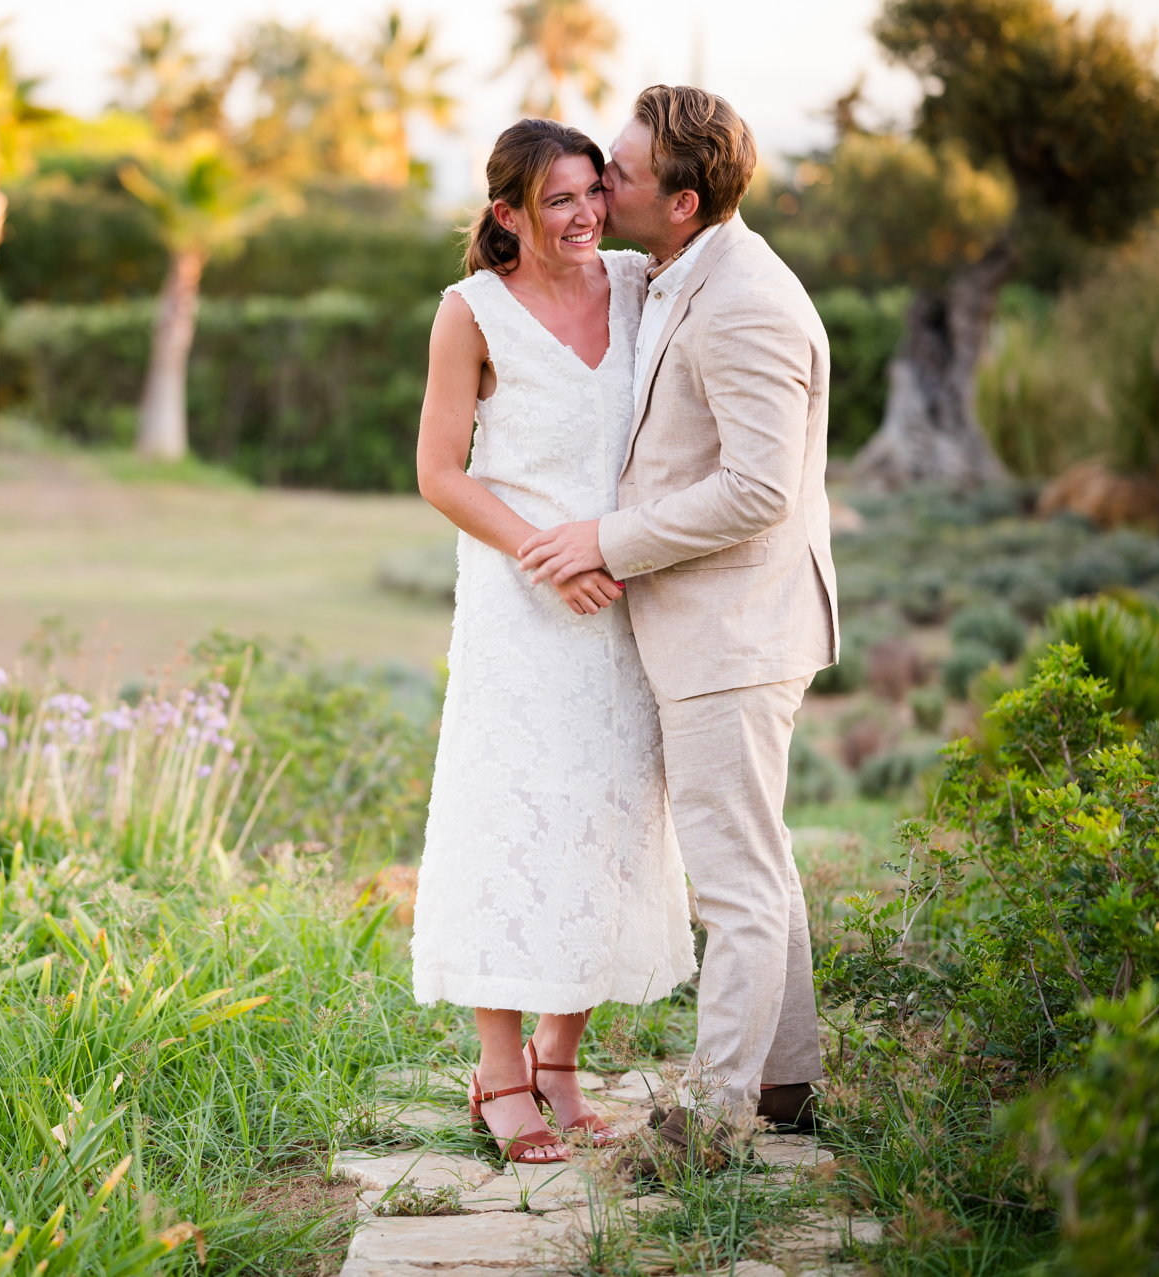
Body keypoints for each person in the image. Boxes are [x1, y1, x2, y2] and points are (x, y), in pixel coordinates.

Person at [518, 86, 840, 1159]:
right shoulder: (680, 270)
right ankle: (785, 1081)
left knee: (733, 880)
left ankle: (711, 1117)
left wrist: (608, 539)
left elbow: (759, 489)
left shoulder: (747, 299)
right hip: (718, 625)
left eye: (620, 173)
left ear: (685, 200)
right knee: (761, 855)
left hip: (735, 630)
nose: (603, 187)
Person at [410, 117, 698, 1166]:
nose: (585, 216)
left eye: (592, 192)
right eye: (560, 201)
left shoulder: (635, 284)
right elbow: (442, 472)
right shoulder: (470, 312)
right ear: (507, 215)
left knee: (612, 813)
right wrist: (549, 554)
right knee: (511, 819)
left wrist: (608, 553)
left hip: (623, 593)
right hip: (520, 602)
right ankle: (497, 1070)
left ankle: (562, 1059)